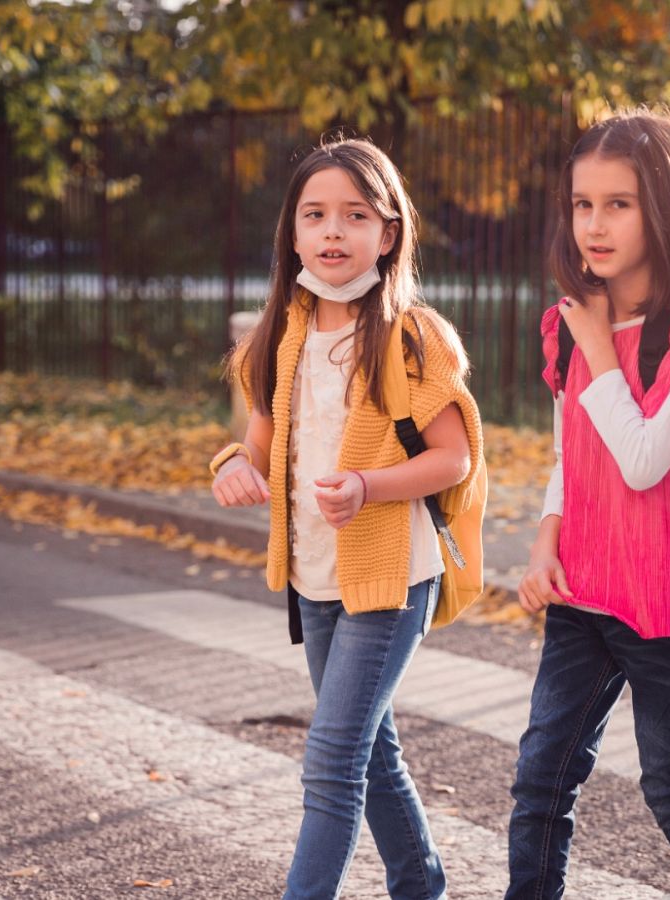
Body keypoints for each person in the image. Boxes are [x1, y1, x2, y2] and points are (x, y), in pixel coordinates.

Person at [209, 137, 483, 900]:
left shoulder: (411, 336)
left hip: (394, 575)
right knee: (372, 749)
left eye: (355, 215)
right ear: (293, 234)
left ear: (387, 233)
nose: (334, 232)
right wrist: (232, 468)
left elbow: (453, 459)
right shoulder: (281, 337)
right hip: (316, 577)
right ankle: (422, 885)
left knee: (332, 756)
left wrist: (368, 485)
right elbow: (257, 449)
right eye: (316, 215)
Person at [506, 108, 670, 900]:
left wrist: (603, 353)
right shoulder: (569, 324)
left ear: (667, 208)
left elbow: (646, 461)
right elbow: (569, 457)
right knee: (541, 783)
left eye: (619, 203)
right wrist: (547, 543)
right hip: (582, 589)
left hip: (669, 603)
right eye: (583, 204)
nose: (595, 225)